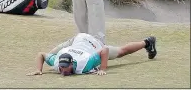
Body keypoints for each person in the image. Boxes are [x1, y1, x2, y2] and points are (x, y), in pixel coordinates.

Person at [26, 33, 157, 76]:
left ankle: (147, 42)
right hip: (77, 39)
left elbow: (104, 51)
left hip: (94, 45)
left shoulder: (86, 63)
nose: (63, 70)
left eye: (65, 67)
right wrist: (38, 69)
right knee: (51, 52)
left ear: (72, 64)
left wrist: (102, 69)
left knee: (121, 51)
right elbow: (41, 54)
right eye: (62, 67)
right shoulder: (56, 62)